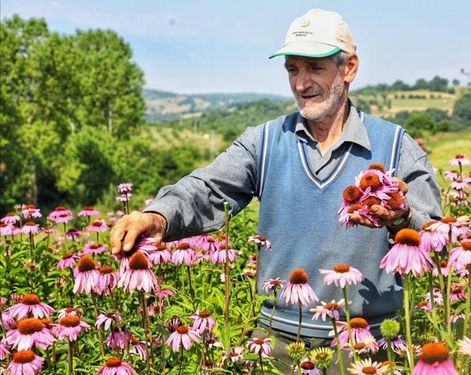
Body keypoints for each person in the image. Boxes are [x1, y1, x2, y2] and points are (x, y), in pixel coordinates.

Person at [110, 8, 442, 370]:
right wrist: (159, 216)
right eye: (292, 69)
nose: (301, 83)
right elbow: (206, 188)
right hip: (277, 344)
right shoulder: (265, 142)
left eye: (315, 68)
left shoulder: (394, 146)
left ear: (349, 68)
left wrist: (402, 217)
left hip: (368, 345)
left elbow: (438, 240)